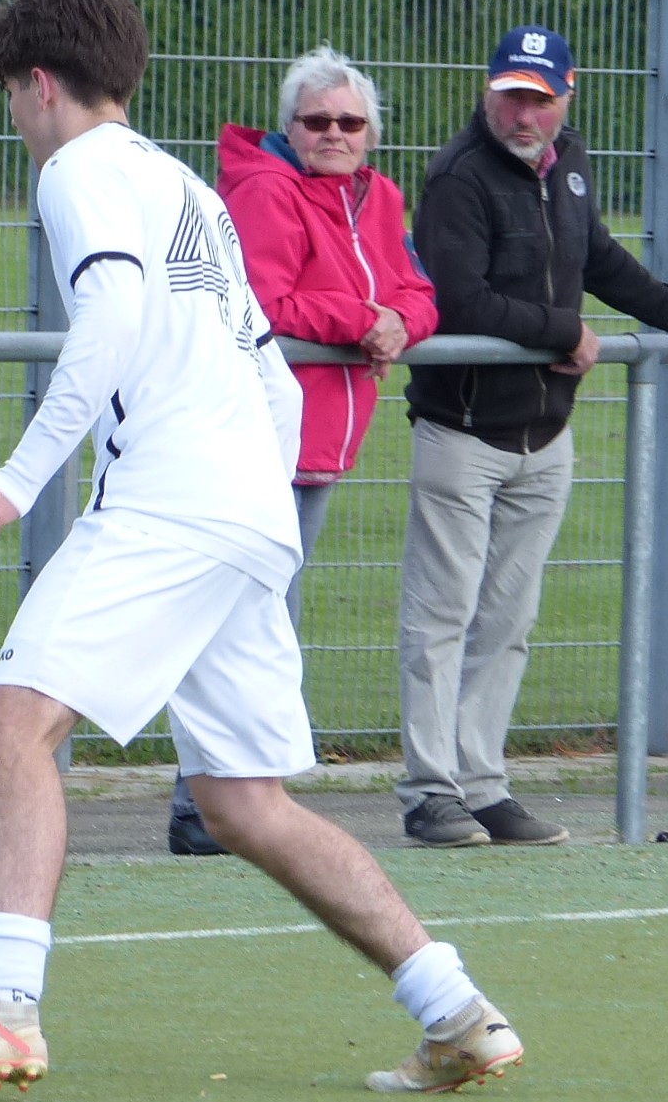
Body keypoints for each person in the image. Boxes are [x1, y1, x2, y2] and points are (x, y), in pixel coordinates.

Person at [0, 0, 522, 1093]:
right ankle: (455, 1009)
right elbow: (269, 373)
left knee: (8, 730)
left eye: (11, 94)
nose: (15, 116)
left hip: (172, 504)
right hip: (245, 510)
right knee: (243, 802)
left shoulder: (76, 172)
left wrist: (18, 478)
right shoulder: (188, 188)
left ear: (37, 84)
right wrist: (255, 507)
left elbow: (110, 318)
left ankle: (2, 1010)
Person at [399, 25, 668, 848]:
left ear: (566, 95)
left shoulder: (571, 165)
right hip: (461, 432)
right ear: (487, 92)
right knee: (440, 618)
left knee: (507, 621)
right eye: (511, 97)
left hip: (543, 435)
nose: (524, 115)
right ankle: (428, 792)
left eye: (540, 100)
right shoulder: (457, 177)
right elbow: (458, 300)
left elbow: (600, 259)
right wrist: (563, 331)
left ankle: (482, 786)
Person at [167, 45, 438, 857]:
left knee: (259, 620)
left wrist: (397, 322)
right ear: (288, 126)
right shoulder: (264, 191)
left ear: (371, 135)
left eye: (349, 122)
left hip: (316, 443)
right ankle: (207, 805)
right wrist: (363, 320)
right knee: (243, 620)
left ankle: (225, 800)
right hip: (254, 436)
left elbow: (417, 291)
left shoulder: (377, 197)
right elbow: (264, 301)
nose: (333, 134)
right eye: (316, 120)